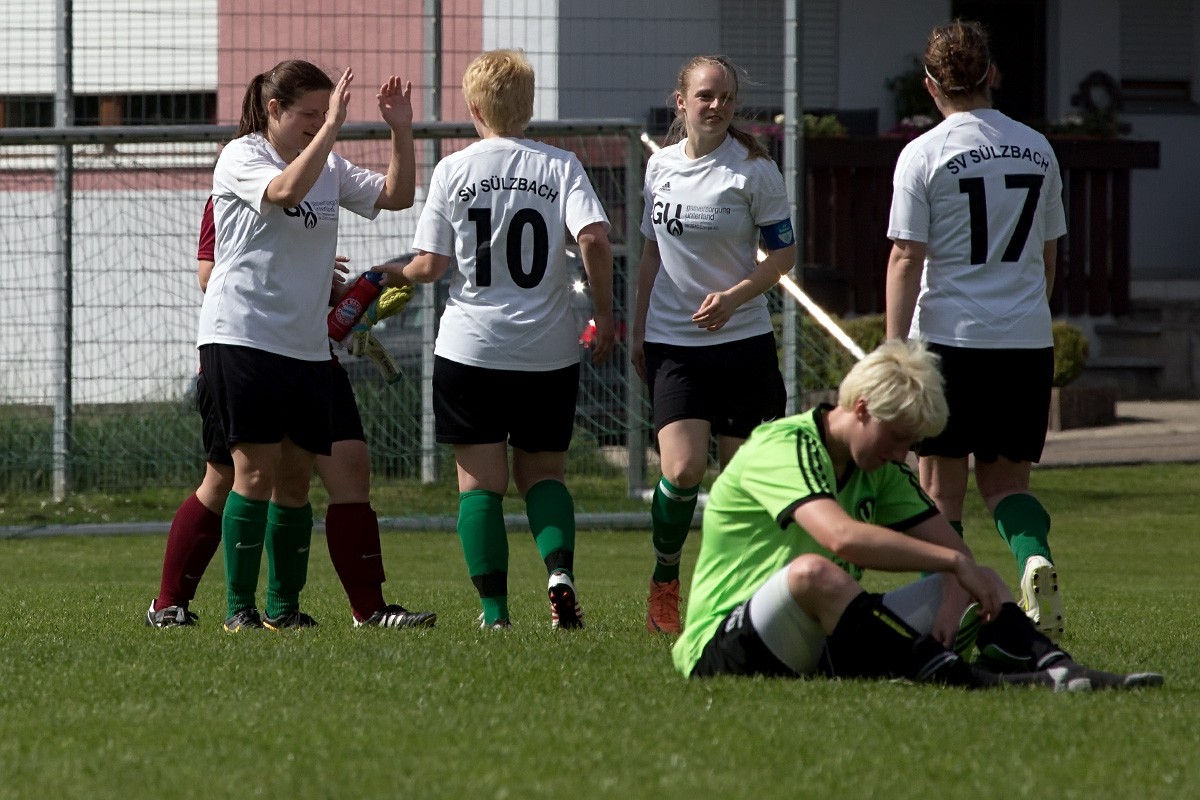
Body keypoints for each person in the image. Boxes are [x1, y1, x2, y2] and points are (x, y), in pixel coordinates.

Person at [672, 339, 1162, 691]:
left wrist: (956, 582)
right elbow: (842, 538)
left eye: (910, 443)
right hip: (722, 645)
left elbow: (954, 554)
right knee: (813, 573)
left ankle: (1056, 667)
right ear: (861, 408)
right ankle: (965, 678)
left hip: (815, 642)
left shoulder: (879, 468)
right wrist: (952, 565)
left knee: (981, 578)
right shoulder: (783, 445)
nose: (900, 453)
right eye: (896, 437)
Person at [376, 49, 614, 630]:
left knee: (480, 487)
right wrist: (605, 314)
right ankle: (559, 574)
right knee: (545, 476)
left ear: (474, 107)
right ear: (528, 106)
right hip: (548, 351)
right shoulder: (561, 165)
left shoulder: (453, 169)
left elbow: (430, 266)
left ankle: (496, 614)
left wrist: (383, 275)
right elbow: (594, 239)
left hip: (472, 350)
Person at [196, 60, 417, 632]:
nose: (319, 122)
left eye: (325, 112)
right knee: (253, 475)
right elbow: (285, 189)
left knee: (295, 481)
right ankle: (238, 610)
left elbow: (397, 195)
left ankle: (283, 609)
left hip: (306, 346)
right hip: (243, 335)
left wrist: (400, 129)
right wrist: (333, 127)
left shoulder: (328, 164)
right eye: (309, 114)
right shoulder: (242, 156)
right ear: (274, 110)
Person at [145, 200, 436, 631]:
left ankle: (365, 609)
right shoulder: (238, 184)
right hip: (245, 354)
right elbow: (209, 277)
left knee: (350, 467)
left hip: (313, 357)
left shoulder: (320, 186)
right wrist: (290, 271)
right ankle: (170, 603)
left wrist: (342, 296)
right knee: (226, 478)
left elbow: (392, 198)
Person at [884, 20, 1067, 639]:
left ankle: (947, 611)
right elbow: (1048, 253)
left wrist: (894, 348)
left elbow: (906, 257)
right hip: (1025, 342)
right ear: (990, 74)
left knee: (941, 489)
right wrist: (1027, 314)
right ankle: (1033, 559)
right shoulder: (1038, 148)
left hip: (950, 340)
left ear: (930, 84)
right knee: (1008, 484)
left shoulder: (923, 153)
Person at [632, 55, 796, 634]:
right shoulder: (660, 167)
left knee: (739, 482)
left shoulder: (755, 170)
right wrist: (637, 330)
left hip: (743, 342)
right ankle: (665, 582)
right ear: (682, 101)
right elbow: (651, 252)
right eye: (705, 95)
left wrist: (733, 297)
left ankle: (735, 600)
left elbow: (783, 255)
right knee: (681, 471)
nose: (717, 105)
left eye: (726, 96)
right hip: (673, 343)